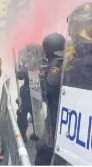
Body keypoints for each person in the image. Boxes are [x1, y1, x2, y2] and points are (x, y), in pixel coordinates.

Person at [34, 32, 65, 165]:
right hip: (59, 113)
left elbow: (49, 89)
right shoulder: (62, 60)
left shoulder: (57, 63)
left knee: (44, 150)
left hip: (55, 113)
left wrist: (40, 79)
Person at [15, 47, 39, 143]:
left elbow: (21, 76)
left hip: (29, 90)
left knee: (22, 112)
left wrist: (19, 70)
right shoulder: (42, 61)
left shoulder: (28, 62)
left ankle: (22, 135)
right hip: (38, 90)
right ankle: (37, 133)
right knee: (36, 113)